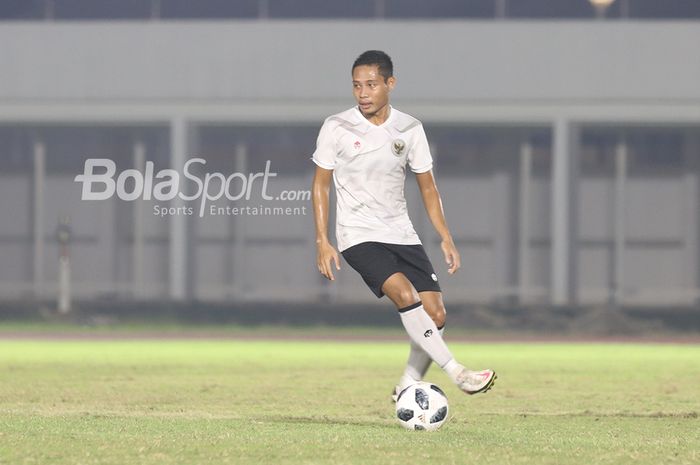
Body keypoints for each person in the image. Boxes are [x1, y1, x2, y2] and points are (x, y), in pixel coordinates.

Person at [311, 50, 496, 400]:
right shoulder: (336, 127)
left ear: (389, 84)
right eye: (356, 86)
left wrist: (446, 237)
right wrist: (322, 239)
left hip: (401, 233)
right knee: (405, 296)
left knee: (436, 314)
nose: (362, 93)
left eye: (370, 84)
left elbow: (429, 187)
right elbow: (320, 183)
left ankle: (406, 386)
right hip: (358, 235)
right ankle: (458, 373)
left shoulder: (410, 129)